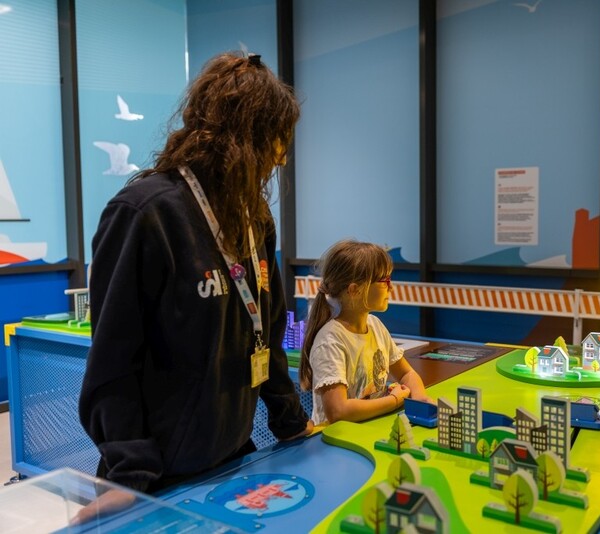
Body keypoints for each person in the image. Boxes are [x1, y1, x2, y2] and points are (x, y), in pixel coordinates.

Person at [78, 52, 313, 498]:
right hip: (155, 478)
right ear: (245, 138)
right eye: (277, 141)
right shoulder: (146, 214)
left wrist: (291, 423)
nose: (281, 159)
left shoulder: (254, 217)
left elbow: (268, 329)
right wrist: (130, 477)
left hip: (232, 458)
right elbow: (113, 362)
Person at [298, 240, 433, 425]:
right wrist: (394, 400)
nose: (391, 287)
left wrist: (419, 399)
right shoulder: (330, 341)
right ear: (355, 290)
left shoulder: (375, 325)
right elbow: (338, 411)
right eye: (384, 281)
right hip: (337, 442)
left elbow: (406, 374)